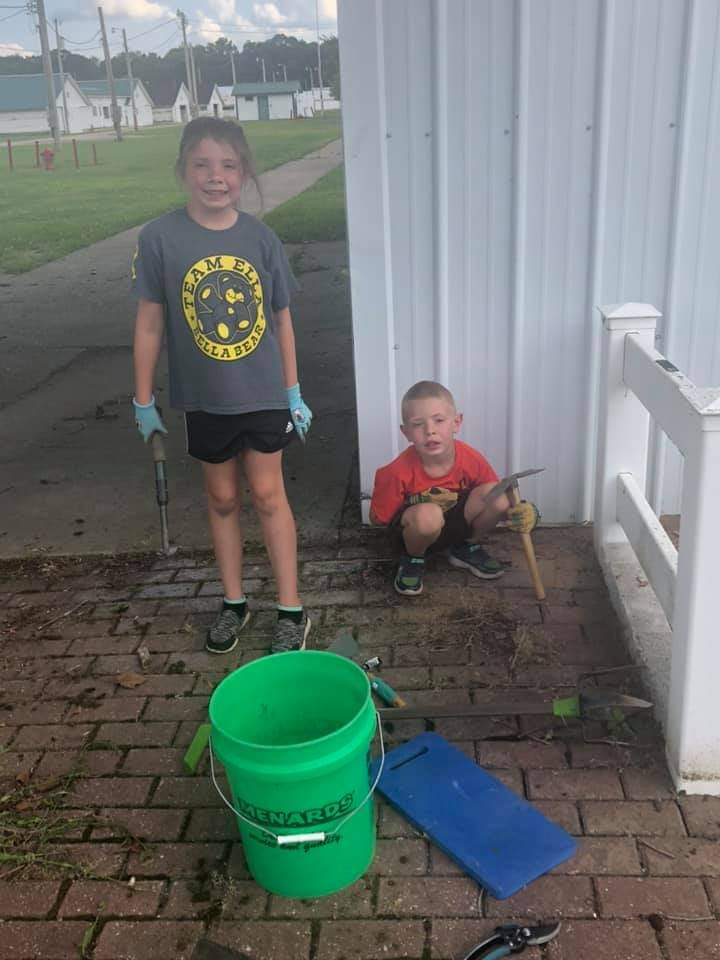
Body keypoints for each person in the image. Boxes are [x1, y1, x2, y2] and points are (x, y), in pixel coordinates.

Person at [131, 117, 312, 655]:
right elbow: (148, 323)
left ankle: (290, 608)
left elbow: (281, 320)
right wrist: (143, 399)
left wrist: (293, 391)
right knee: (223, 497)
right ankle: (234, 601)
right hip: (204, 400)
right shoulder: (159, 238)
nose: (216, 177)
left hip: (262, 394)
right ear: (184, 170)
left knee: (267, 494)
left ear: (244, 172)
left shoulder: (261, 238)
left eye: (228, 165)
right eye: (203, 165)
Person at [370, 380, 539, 596]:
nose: (430, 431)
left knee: (498, 495)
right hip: (416, 534)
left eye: (439, 420)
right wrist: (416, 502)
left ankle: (464, 547)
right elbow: (378, 519)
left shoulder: (470, 459)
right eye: (418, 424)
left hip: (456, 528)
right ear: (406, 433)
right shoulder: (396, 472)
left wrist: (524, 511)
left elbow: (494, 498)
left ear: (456, 423)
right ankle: (413, 559)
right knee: (428, 514)